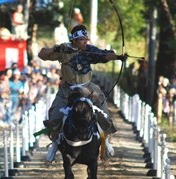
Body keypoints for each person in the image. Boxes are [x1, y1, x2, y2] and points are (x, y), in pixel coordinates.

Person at [38, 24, 125, 162]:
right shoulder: (64, 50)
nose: (85, 42)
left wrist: (118, 57)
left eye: (86, 39)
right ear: (74, 40)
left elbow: (104, 55)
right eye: (82, 39)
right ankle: (55, 143)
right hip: (68, 89)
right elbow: (42, 54)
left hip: (88, 88)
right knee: (55, 115)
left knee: (104, 113)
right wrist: (55, 48)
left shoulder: (90, 50)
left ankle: (105, 141)